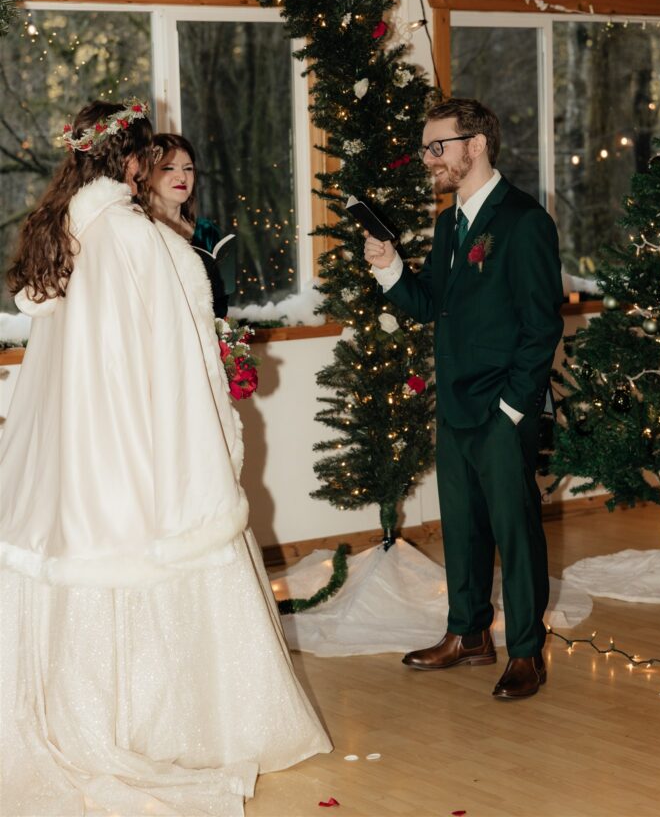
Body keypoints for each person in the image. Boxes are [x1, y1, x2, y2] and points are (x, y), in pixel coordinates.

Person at [0, 100, 331, 816]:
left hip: (70, 453)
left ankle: (82, 713)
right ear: (130, 160)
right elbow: (176, 361)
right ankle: (163, 724)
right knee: (156, 558)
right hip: (136, 440)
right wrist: (206, 444)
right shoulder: (132, 234)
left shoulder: (63, 228)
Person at [364, 97, 563, 700]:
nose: (428, 160)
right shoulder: (450, 223)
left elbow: (541, 325)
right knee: (462, 529)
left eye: (437, 147)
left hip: (502, 409)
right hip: (453, 407)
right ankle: (469, 634)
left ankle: (527, 651)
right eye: (427, 148)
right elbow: (435, 306)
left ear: (474, 146)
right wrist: (391, 267)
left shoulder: (526, 221)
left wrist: (512, 407)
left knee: (515, 530)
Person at [150, 132, 229, 317]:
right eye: (169, 168)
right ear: (146, 175)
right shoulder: (140, 231)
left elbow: (221, 307)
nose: (182, 177)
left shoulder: (208, 233)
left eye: (188, 168)